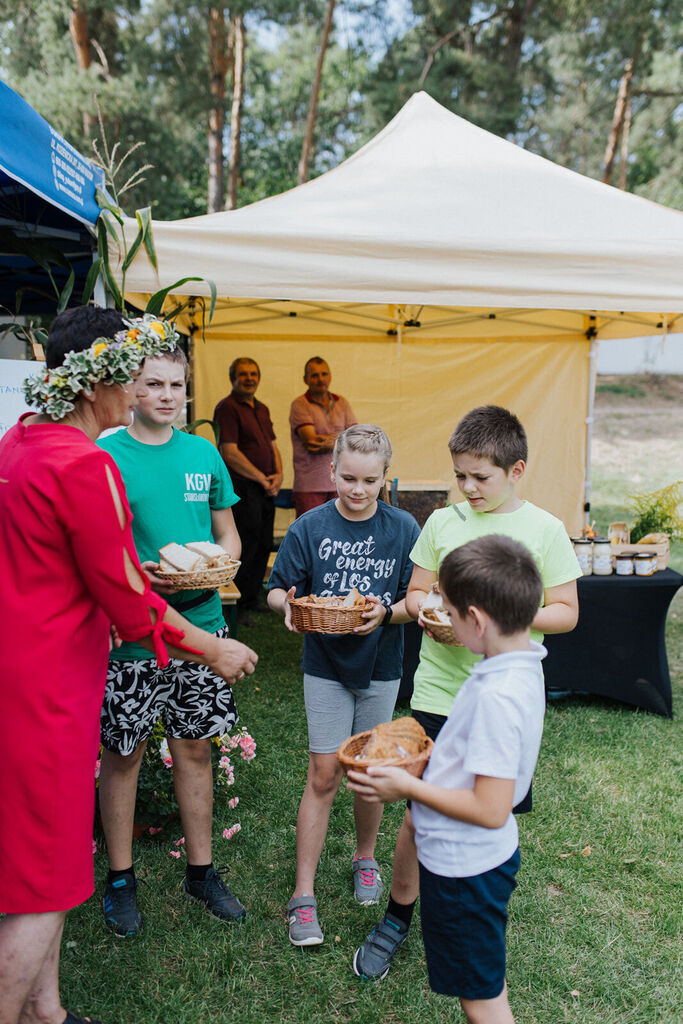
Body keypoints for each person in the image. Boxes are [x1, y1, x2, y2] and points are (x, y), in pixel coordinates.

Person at [0, 307, 257, 1024]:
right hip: (50, 690)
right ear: (95, 383)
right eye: (124, 375)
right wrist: (214, 646)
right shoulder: (85, 463)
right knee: (47, 885)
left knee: (32, 869)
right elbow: (131, 600)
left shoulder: (19, 440)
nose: (135, 390)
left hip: (19, 675)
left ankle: (46, 1012)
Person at [352, 404, 580, 980]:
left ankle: (480, 904)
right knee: (416, 814)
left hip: (501, 691)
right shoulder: (443, 523)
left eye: (482, 477)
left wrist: (491, 622)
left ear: (517, 470)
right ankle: (398, 917)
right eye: (461, 476)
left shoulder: (546, 529)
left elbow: (567, 612)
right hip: (438, 690)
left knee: (489, 812)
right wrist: (422, 614)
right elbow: (415, 595)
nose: (469, 488)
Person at [349, 535, 547, 1024]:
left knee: (480, 999)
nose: (447, 622)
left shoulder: (496, 697)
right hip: (473, 862)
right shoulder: (517, 666)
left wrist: (406, 788)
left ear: (475, 621)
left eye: (451, 614)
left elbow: (490, 807)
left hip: (467, 870)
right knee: (480, 986)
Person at [97, 344, 247, 937]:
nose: (166, 395)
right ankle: (119, 879)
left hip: (202, 623)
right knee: (124, 755)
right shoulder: (105, 455)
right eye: (153, 383)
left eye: (176, 386)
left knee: (194, 748)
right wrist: (139, 572)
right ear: (130, 389)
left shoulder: (203, 453)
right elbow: (97, 549)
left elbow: (228, 534)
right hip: (131, 634)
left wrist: (217, 565)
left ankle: (201, 872)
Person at [267, 424, 420, 947]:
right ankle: (302, 893)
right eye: (348, 478)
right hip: (326, 666)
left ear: (385, 478)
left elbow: (411, 600)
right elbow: (275, 590)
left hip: (381, 667)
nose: (357, 490)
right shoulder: (309, 526)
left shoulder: (404, 529)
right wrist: (287, 605)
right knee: (324, 771)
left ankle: (365, 858)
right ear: (331, 470)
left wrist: (387, 612)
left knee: (371, 769)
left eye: (370, 480)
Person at [214, 357, 283, 624]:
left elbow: (273, 445)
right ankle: (238, 603)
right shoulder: (227, 408)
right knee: (246, 542)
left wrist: (278, 475)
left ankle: (253, 597)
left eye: (254, 373)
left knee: (265, 542)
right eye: (243, 374)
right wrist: (261, 478)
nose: (249, 378)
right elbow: (229, 452)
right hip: (243, 488)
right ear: (233, 377)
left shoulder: (262, 408)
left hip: (266, 488)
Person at [289, 356, 356, 517]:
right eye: (314, 375)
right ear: (305, 379)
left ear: (330, 376)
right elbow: (311, 442)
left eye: (324, 374)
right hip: (309, 486)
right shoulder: (300, 404)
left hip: (340, 483)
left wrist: (324, 438)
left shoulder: (342, 402)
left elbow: (355, 439)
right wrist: (343, 438)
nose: (320, 379)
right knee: (310, 536)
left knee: (339, 535)